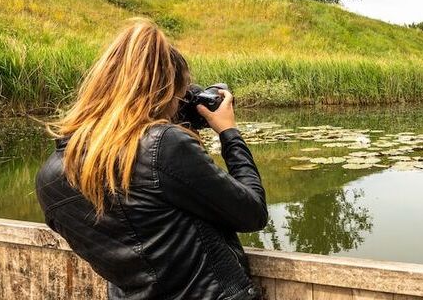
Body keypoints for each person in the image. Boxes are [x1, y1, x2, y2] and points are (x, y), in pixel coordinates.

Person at [35, 19, 267, 300]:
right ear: (164, 92)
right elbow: (252, 212)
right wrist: (229, 132)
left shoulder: (50, 177)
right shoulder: (162, 146)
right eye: (179, 98)